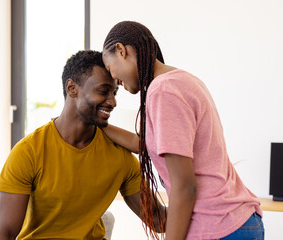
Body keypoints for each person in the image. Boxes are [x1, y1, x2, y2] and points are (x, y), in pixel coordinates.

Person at [101, 21, 264, 240]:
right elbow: (144, 144)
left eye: (111, 69)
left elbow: (184, 186)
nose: (115, 80)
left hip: (217, 226)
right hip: (239, 220)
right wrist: (99, 125)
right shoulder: (183, 80)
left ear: (121, 51)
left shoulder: (162, 90)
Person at [0, 50, 166, 240]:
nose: (113, 102)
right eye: (103, 91)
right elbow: (5, 233)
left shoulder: (120, 156)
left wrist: (198, 199)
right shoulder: (29, 151)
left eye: (114, 93)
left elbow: (158, 219)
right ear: (72, 88)